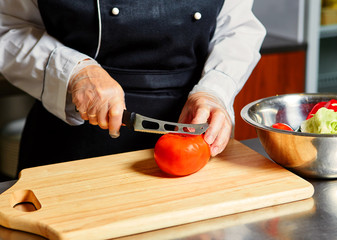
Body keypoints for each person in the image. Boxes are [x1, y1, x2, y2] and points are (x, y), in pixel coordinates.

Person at [0, 0, 266, 172]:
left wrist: (214, 91)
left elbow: (238, 27)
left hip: (193, 141)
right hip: (72, 142)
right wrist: (75, 72)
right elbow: (6, 24)